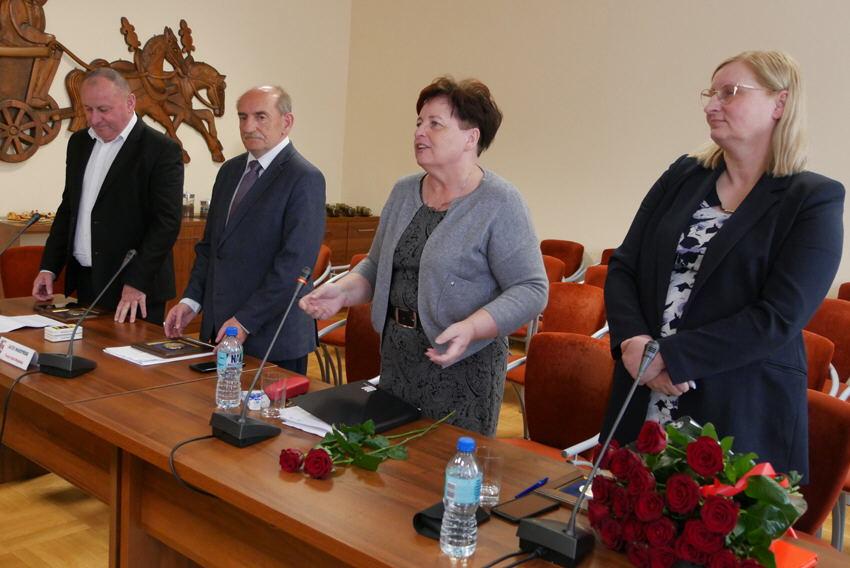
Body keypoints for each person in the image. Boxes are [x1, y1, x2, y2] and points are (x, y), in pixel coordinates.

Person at [600, 51, 844, 479]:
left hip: (736, 407)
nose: (712, 105)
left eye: (730, 92)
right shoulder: (683, 175)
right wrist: (633, 343)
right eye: (710, 94)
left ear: (780, 103)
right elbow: (624, 265)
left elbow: (778, 317)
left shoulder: (812, 200)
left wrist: (668, 358)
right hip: (642, 392)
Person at [299, 77, 548, 436]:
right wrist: (341, 292)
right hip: (398, 358)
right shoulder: (403, 191)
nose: (420, 132)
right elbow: (375, 266)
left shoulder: (500, 202)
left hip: (462, 366)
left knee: (444, 463)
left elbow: (531, 288)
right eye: (419, 122)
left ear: (471, 137)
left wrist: (473, 327)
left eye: (435, 124)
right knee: (393, 459)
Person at [163, 86, 325, 374]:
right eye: (242, 117)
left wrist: (245, 321)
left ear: (286, 122)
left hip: (272, 338)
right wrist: (191, 301)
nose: (249, 127)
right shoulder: (229, 172)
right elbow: (211, 248)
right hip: (221, 331)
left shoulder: (304, 178)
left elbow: (293, 267)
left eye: (261, 117)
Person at [34, 67, 183, 325]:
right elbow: (69, 208)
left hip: (134, 288)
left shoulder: (161, 149)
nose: (94, 119)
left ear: (130, 102)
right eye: (88, 109)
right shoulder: (79, 143)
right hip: (86, 281)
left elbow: (166, 223)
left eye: (103, 109)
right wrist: (49, 267)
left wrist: (137, 281)